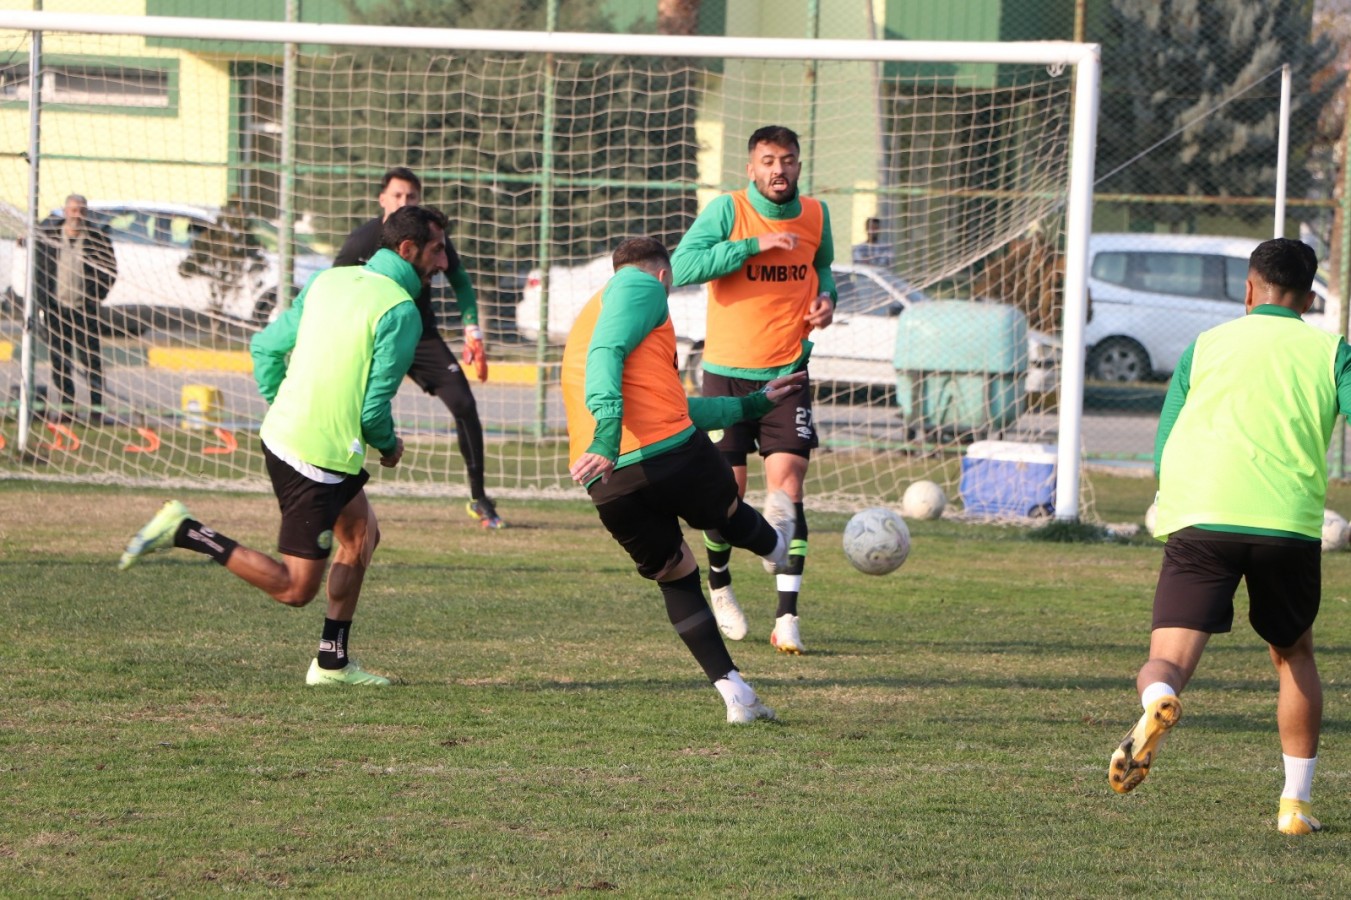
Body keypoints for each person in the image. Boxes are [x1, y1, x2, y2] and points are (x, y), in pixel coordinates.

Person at [116, 205, 450, 686]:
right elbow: (374, 412)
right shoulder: (400, 311)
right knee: (295, 589)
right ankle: (186, 531)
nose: (442, 263)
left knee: (360, 536)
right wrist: (390, 446)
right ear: (407, 250)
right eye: (437, 251)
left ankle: (332, 662)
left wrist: (285, 406)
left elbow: (266, 347)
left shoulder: (328, 281)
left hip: (302, 439)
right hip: (314, 457)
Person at [1108, 238, 1351, 836]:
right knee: (1293, 656)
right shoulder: (1331, 350)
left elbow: (1165, 442)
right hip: (1285, 526)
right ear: (1309, 296)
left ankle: (1156, 702)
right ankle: (1294, 808)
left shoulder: (1206, 345)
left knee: (1166, 659)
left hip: (1202, 519)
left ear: (1248, 289)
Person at [562, 236, 806, 723]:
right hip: (665, 453)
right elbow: (607, 353)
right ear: (663, 276)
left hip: (610, 481)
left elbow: (674, 405)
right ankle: (778, 548)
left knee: (675, 573)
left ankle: (736, 695)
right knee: (728, 513)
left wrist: (754, 404)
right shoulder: (642, 287)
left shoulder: (595, 312)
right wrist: (608, 435)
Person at [669, 125, 837, 655]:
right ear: (751, 167)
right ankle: (720, 585)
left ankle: (787, 616)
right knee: (728, 496)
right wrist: (753, 245)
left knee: (788, 489)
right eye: (768, 160)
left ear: (799, 165)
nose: (778, 170)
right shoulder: (728, 210)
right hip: (725, 374)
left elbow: (823, 268)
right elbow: (682, 266)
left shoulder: (816, 214)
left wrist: (828, 300)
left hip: (787, 371)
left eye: (787, 160)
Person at [335, 167, 504, 530]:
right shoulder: (363, 240)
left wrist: (472, 328)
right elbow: (335, 280)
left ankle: (480, 498)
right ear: (383, 199)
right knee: (348, 405)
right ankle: (334, 487)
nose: (404, 202)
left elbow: (459, 279)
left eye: (411, 196)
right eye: (397, 196)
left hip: (421, 334)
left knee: (464, 403)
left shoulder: (431, 238)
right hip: (375, 332)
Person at [33, 194, 118, 424]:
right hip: (57, 309)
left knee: (91, 362)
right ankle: (68, 410)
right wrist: (44, 303)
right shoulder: (50, 237)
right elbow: (40, 273)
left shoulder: (98, 239)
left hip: (84, 310)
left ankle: (96, 411)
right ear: (65, 211)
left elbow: (110, 272)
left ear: (86, 212)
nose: (76, 215)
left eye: (81, 210)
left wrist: (95, 298)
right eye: (73, 210)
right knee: (61, 363)